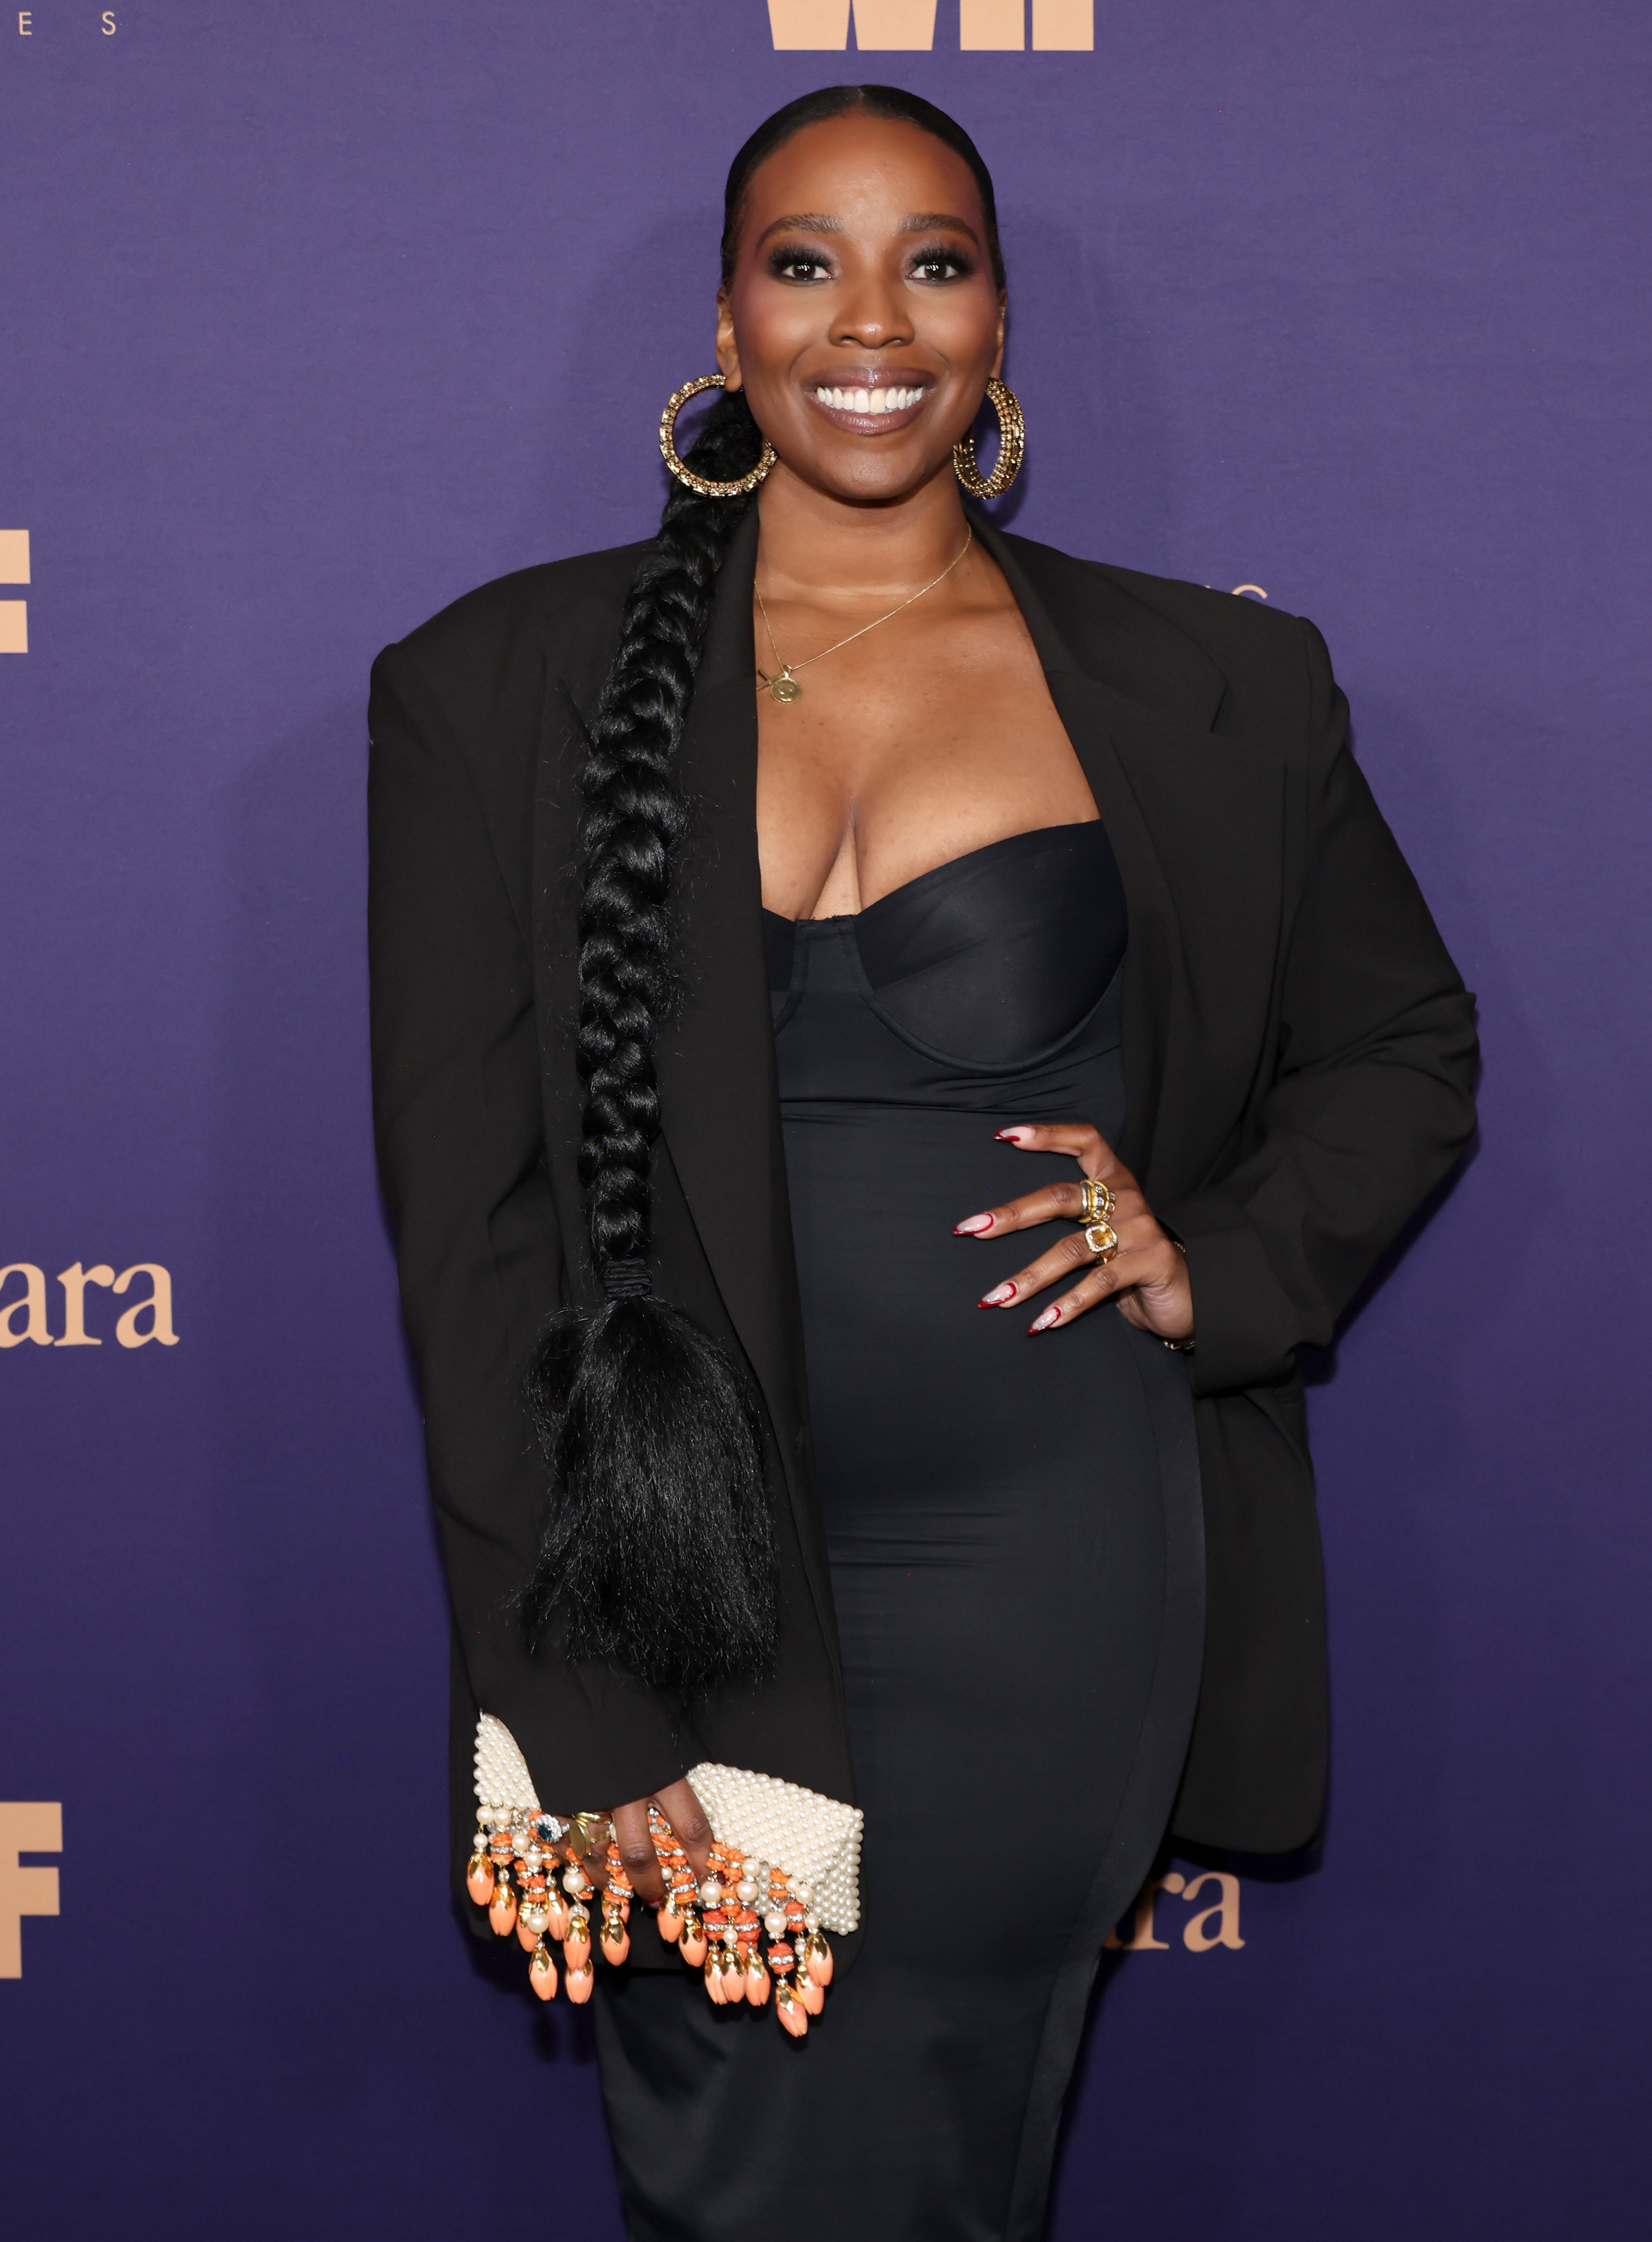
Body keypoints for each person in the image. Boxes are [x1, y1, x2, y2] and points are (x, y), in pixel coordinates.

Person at [368, 82, 1478, 2242]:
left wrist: (1212, 1258)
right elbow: (470, 1239)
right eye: (806, 261)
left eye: (934, 261)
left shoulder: (1212, 679)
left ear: (994, 320)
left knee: (931, 2152)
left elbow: (1401, 1043)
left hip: (1042, 1568)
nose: (870, 318)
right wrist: (580, 1706)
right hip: (664, 1577)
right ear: (724, 317)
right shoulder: (491, 686)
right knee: (743, 2165)